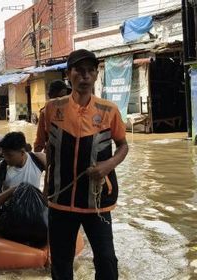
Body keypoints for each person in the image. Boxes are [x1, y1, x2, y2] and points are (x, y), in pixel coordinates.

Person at [43, 49, 128, 280]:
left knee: (107, 260)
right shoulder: (51, 109)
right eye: (79, 71)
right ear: (68, 74)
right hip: (60, 201)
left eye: (91, 71)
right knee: (61, 262)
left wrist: (107, 166)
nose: (85, 76)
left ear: (97, 75)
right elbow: (45, 149)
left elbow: (123, 146)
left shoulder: (109, 110)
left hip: (97, 201)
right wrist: (45, 188)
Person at [0, 132, 46, 240]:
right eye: (4, 154)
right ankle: (8, 241)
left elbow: (54, 179)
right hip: (12, 215)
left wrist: (44, 196)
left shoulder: (39, 159)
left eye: (9, 155)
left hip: (36, 211)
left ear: (22, 152)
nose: (6, 159)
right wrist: (11, 191)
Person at [34, 80, 68, 152]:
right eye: (60, 97)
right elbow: (40, 141)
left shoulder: (74, 109)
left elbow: (39, 141)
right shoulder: (45, 112)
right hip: (54, 153)